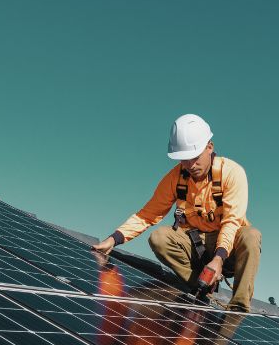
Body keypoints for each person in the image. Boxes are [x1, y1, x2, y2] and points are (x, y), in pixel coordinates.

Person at [92, 114, 261, 312]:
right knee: (159, 237)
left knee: (251, 236)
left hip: (228, 249)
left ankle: (238, 308)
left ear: (210, 147)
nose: (190, 166)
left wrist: (219, 258)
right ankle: (200, 286)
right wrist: (113, 239)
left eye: (195, 158)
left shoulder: (232, 173)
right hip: (194, 245)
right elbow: (148, 214)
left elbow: (232, 222)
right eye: (184, 160)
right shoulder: (175, 178)